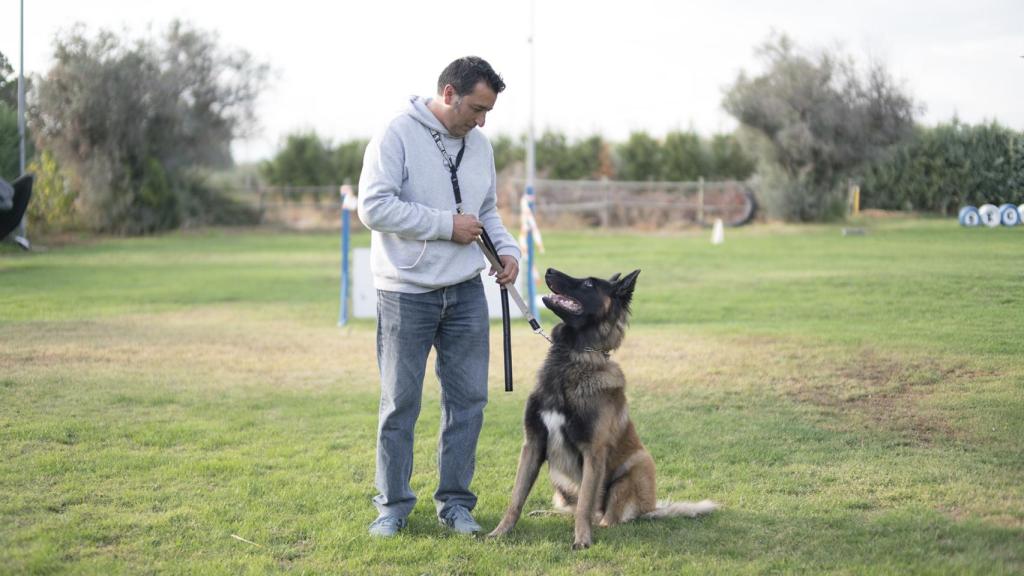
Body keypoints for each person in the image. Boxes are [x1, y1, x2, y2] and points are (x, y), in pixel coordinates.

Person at [357, 56, 520, 537]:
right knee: (399, 404)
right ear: (449, 93)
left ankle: (455, 505)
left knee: (469, 402)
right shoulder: (396, 134)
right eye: (476, 107)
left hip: (466, 292)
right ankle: (392, 509)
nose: (482, 120)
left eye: (489, 111)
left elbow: (486, 210)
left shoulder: (481, 145)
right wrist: (446, 226)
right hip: (405, 293)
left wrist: (506, 251)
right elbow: (374, 207)